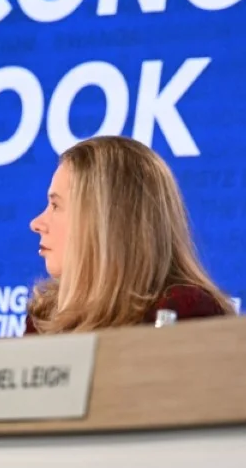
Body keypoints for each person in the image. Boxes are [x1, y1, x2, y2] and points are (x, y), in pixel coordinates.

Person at [26, 135, 232, 335]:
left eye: (55, 205)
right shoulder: (45, 317)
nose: (36, 224)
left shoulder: (183, 310)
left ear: (107, 220)